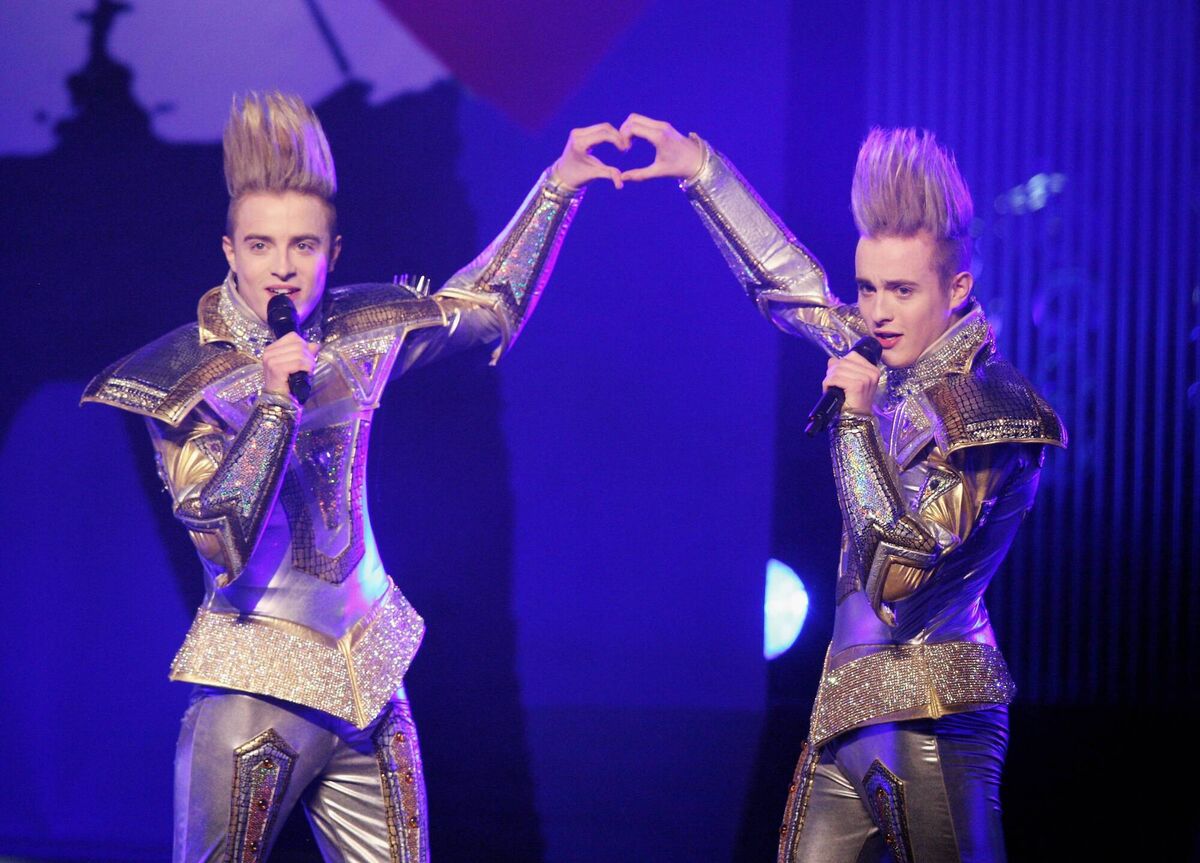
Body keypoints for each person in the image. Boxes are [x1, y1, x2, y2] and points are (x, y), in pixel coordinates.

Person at [83, 91, 627, 863]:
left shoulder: (358, 333)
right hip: (252, 686)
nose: (282, 266)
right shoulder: (180, 378)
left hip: (368, 678)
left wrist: (561, 184)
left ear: (332, 254)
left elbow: (485, 308)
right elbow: (217, 532)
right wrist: (273, 404)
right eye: (262, 245)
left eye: (302, 245)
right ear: (230, 250)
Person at [615, 114, 1066, 862]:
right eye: (867, 287)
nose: (877, 311)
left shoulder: (994, 415)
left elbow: (899, 571)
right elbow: (791, 287)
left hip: (932, 714)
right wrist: (700, 168)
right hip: (844, 712)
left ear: (958, 285)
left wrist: (853, 428)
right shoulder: (879, 361)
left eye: (900, 289)